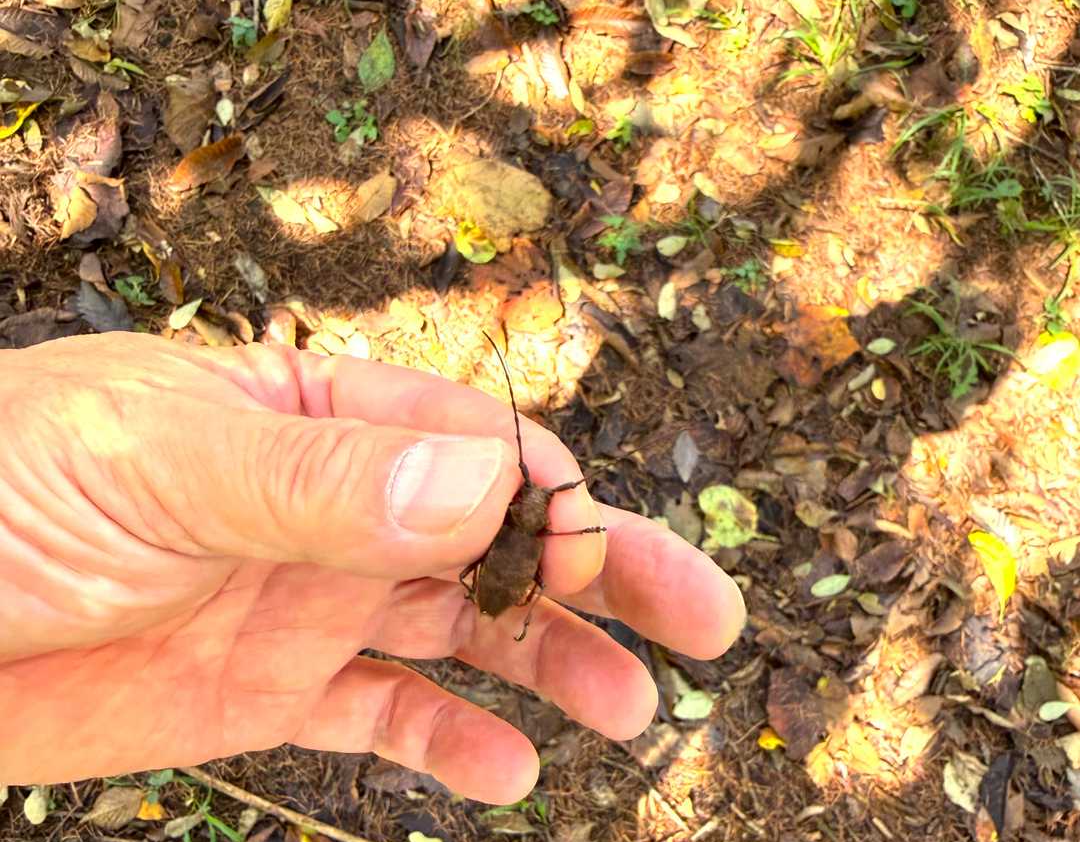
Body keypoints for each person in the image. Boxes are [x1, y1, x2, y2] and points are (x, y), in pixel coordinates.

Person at [0, 333, 744, 803]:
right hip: (494, 583)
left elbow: (524, 547)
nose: (534, 501)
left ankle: (510, 614)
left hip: (496, 582)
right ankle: (510, 615)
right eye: (535, 500)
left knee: (532, 588)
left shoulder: (528, 526)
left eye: (536, 502)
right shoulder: (525, 525)